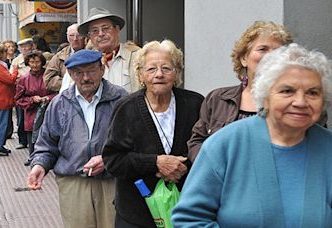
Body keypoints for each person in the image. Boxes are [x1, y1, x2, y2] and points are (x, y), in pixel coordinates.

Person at [172, 43, 332, 227]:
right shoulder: (225, 145)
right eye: (287, 91)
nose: (300, 102)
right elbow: (189, 220)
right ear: (265, 96)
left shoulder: (328, 149)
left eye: (313, 93)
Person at [102, 40, 205, 227]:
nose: (159, 74)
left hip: (186, 211)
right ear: (140, 75)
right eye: (151, 69)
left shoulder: (195, 104)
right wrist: (155, 162)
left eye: (167, 68)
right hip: (136, 214)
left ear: (177, 73)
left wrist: (180, 167)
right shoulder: (126, 109)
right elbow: (113, 160)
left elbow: (207, 152)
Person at [27, 50, 128, 227]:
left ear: (102, 69)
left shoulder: (120, 99)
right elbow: (47, 143)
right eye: (78, 73)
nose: (85, 78)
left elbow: (133, 141)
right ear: (70, 74)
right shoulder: (59, 103)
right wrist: (39, 165)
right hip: (73, 182)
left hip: (112, 180)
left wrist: (108, 158)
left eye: (91, 71)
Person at [187, 21, 294, 161]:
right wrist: (215, 166)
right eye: (263, 49)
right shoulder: (217, 99)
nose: (271, 56)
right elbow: (196, 143)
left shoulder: (298, 103)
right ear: (244, 58)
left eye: (278, 51)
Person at [78, 7, 141, 93]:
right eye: (95, 31)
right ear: (90, 37)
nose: (101, 34)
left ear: (117, 30)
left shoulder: (137, 57)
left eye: (105, 28)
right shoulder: (83, 62)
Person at [15, 50, 57, 166]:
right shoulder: (24, 79)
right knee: (32, 137)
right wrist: (32, 99)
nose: (35, 65)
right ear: (28, 63)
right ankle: (33, 157)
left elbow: (58, 92)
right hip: (32, 112)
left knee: (50, 136)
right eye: (32, 62)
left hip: (49, 111)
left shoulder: (48, 76)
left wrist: (48, 98)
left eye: (37, 62)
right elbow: (18, 99)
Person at [43, 23, 86, 92]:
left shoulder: (93, 53)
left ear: (84, 36)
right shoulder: (59, 56)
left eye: (78, 35)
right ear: (67, 38)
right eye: (71, 35)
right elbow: (48, 79)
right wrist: (69, 84)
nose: (75, 39)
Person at [11, 38, 35, 149]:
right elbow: (12, 75)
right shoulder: (16, 61)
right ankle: (23, 141)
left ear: (31, 46)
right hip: (21, 90)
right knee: (21, 117)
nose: (24, 48)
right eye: (22, 47)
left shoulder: (36, 57)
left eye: (26, 46)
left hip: (35, 89)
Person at [2, 40, 18, 139]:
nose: (10, 48)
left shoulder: (17, 58)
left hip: (17, 86)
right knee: (7, 110)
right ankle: (8, 131)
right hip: (7, 87)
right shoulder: (3, 61)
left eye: (12, 46)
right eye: (8, 47)